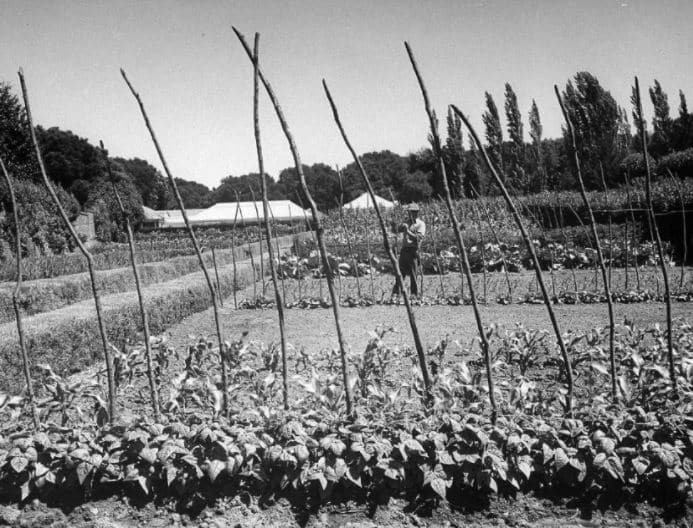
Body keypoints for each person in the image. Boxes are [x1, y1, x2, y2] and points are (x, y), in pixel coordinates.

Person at [391, 203, 425, 299]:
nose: (409, 214)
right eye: (408, 212)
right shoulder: (406, 222)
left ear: (416, 213)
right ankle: (396, 293)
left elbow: (418, 238)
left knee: (413, 274)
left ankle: (414, 295)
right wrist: (394, 225)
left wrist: (407, 231)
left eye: (412, 212)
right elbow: (396, 231)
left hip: (413, 251)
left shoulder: (420, 224)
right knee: (400, 273)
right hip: (404, 250)